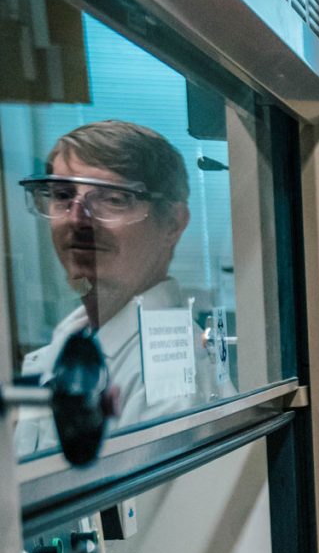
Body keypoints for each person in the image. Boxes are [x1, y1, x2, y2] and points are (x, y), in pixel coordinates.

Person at [13, 119, 230, 447]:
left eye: (113, 199)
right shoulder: (72, 339)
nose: (77, 219)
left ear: (173, 222)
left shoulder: (170, 376)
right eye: (61, 195)